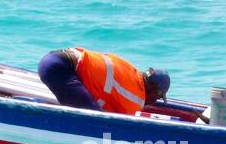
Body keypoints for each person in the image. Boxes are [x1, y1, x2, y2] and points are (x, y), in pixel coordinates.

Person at [37, 48, 171, 116]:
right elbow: (116, 123)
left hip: (55, 57)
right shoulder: (135, 99)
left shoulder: (130, 70)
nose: (155, 101)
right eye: (159, 97)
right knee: (96, 118)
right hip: (60, 70)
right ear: (153, 90)